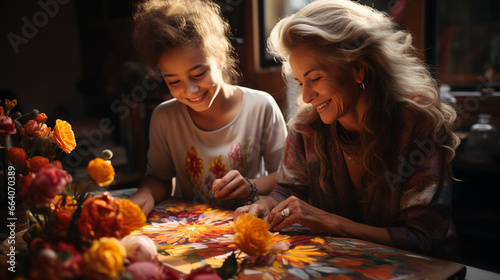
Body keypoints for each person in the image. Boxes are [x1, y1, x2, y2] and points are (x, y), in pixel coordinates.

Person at [234, 0, 460, 261]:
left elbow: (423, 239)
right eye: (300, 82)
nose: (306, 97)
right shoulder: (306, 127)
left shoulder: (418, 126)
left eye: (315, 78)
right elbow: (288, 190)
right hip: (342, 266)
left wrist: (330, 222)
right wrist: (266, 205)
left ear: (358, 69)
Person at [129, 0, 287, 215]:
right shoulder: (164, 117)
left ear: (220, 57)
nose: (191, 90)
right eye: (174, 81)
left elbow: (286, 176)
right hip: (191, 230)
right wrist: (145, 193)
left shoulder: (261, 106)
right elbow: (158, 178)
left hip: (247, 224)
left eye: (198, 74)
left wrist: (252, 185)